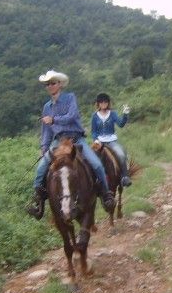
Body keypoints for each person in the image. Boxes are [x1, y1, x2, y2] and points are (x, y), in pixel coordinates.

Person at [26, 69, 116, 220]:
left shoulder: (70, 98)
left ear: (60, 84)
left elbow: (72, 115)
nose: (50, 86)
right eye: (47, 84)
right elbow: (46, 131)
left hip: (76, 139)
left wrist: (54, 120)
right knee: (41, 168)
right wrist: (43, 148)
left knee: (96, 164)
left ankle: (106, 195)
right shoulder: (46, 107)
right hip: (58, 141)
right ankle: (39, 202)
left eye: (52, 83)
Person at [91, 93, 132, 187]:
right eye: (101, 102)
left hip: (111, 141)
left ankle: (125, 177)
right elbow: (93, 131)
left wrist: (125, 114)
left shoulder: (113, 114)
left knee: (121, 154)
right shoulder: (95, 116)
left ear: (108, 103)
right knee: (91, 158)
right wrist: (96, 140)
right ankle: (94, 180)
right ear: (98, 104)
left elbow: (121, 124)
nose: (103, 103)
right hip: (99, 142)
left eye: (105, 102)